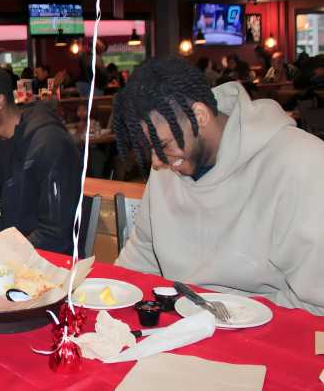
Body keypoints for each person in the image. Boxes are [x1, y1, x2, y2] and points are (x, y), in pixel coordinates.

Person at [112, 57, 324, 315]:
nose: (156, 163)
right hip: (184, 330)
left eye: (164, 146)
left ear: (199, 116)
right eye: (150, 151)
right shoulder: (171, 164)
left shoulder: (301, 162)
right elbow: (139, 260)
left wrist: (230, 320)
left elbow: (315, 303)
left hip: (272, 334)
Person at [0, 60, 81, 254]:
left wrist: (0, 256)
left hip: (50, 266)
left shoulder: (50, 143)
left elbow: (55, 234)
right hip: (6, 265)